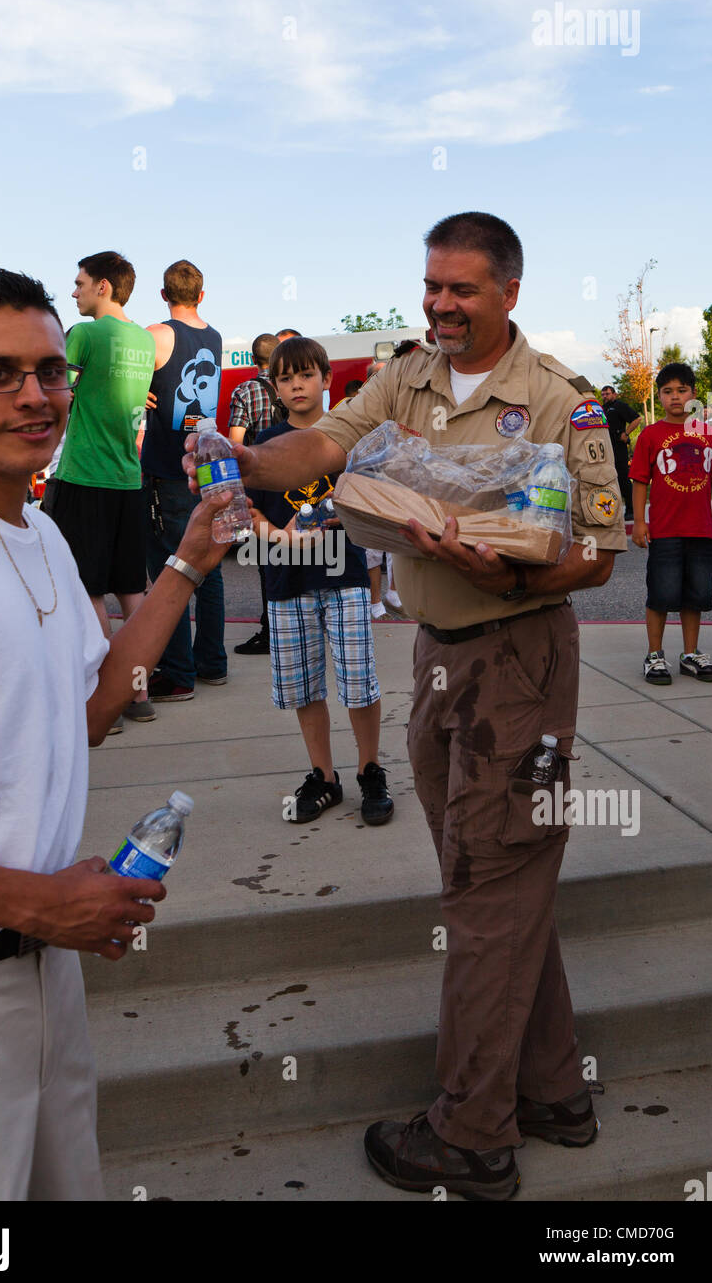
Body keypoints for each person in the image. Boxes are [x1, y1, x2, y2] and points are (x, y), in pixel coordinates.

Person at [189, 212, 627, 1200]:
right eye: (430, 286)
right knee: (499, 885)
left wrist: (512, 574)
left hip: (516, 656)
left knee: (484, 892)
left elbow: (597, 553)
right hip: (436, 658)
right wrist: (242, 458)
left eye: (459, 290)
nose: (438, 305)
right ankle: (553, 1091)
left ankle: (471, 1135)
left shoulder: (561, 402)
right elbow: (322, 445)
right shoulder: (405, 377)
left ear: (507, 292)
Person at [0, 267, 231, 1201]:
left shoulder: (36, 529)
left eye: (50, 370)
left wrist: (188, 561)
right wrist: (32, 901)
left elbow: (99, 701)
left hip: (39, 973)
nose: (34, 394)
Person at [246, 337, 393, 827]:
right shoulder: (264, 444)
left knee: (358, 682)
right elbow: (244, 515)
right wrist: (277, 537)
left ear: (327, 378)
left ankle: (370, 768)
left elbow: (377, 503)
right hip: (286, 582)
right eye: (285, 378)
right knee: (304, 687)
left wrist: (350, 521)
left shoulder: (348, 441)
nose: (296, 386)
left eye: (305, 375)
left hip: (345, 576)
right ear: (275, 387)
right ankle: (323, 776)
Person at [46, 250, 156, 728]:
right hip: (128, 477)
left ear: (103, 287)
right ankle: (138, 693)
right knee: (132, 587)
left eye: (79, 283)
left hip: (83, 474)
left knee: (87, 587)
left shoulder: (85, 334)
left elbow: (55, 391)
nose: (73, 292)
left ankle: (100, 697)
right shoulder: (145, 342)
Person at [140, 260, 226, 701]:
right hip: (204, 459)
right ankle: (212, 661)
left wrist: (142, 393)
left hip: (166, 465)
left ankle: (177, 673)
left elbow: (132, 389)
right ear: (202, 294)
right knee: (207, 567)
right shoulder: (215, 336)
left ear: (163, 294)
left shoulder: (156, 333)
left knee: (171, 569)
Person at [629, 361, 712, 686]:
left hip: (701, 530)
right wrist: (640, 522)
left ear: (694, 394)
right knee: (660, 595)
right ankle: (654, 655)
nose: (674, 397)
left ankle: (690, 653)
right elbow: (639, 481)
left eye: (681, 390)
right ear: (659, 396)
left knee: (694, 597)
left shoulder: (707, 435)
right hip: (665, 531)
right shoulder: (651, 436)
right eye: (667, 391)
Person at [228, 333, 283, 655]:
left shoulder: (246, 390)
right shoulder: (293, 387)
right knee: (301, 550)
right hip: (298, 481)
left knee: (267, 558)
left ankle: (271, 630)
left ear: (253, 360)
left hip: (261, 485)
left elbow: (236, 442)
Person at [600, 384, 641, 519]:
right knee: (609, 480)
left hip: (618, 448)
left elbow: (637, 419)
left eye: (607, 393)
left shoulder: (619, 406)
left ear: (614, 394)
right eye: (603, 394)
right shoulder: (602, 408)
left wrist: (626, 433)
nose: (605, 396)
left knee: (623, 479)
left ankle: (631, 510)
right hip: (606, 448)